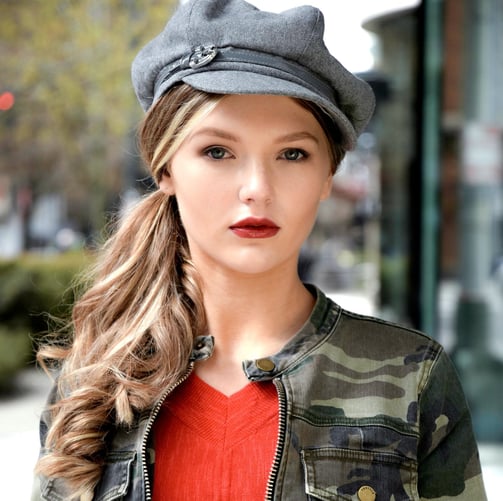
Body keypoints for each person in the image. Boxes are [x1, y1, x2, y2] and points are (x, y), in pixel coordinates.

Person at [32, 0, 487, 500]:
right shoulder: (93, 384)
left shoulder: (411, 378)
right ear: (165, 169)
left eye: (292, 154)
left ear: (326, 177)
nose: (257, 188)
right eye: (217, 152)